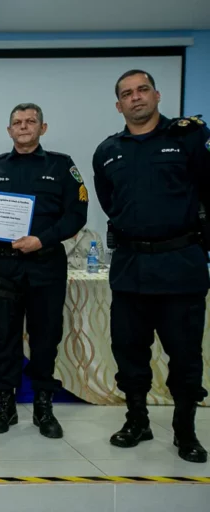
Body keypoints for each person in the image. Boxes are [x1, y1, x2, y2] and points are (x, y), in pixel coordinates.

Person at [93, 69, 210, 463]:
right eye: (127, 93)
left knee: (185, 354)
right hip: (130, 267)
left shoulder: (188, 137)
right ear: (118, 104)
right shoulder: (107, 151)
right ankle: (137, 420)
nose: (136, 97)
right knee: (129, 351)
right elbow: (111, 203)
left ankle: (185, 431)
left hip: (181, 264)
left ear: (157, 95)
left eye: (143, 90)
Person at [0, 103, 88, 438]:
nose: (24, 126)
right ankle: (4, 406)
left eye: (31, 121)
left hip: (46, 264)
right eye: (17, 122)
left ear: (42, 128)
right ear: (9, 130)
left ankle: (43, 407)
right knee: (5, 339)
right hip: (3, 266)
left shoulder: (61, 166)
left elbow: (76, 215)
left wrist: (41, 240)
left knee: (46, 338)